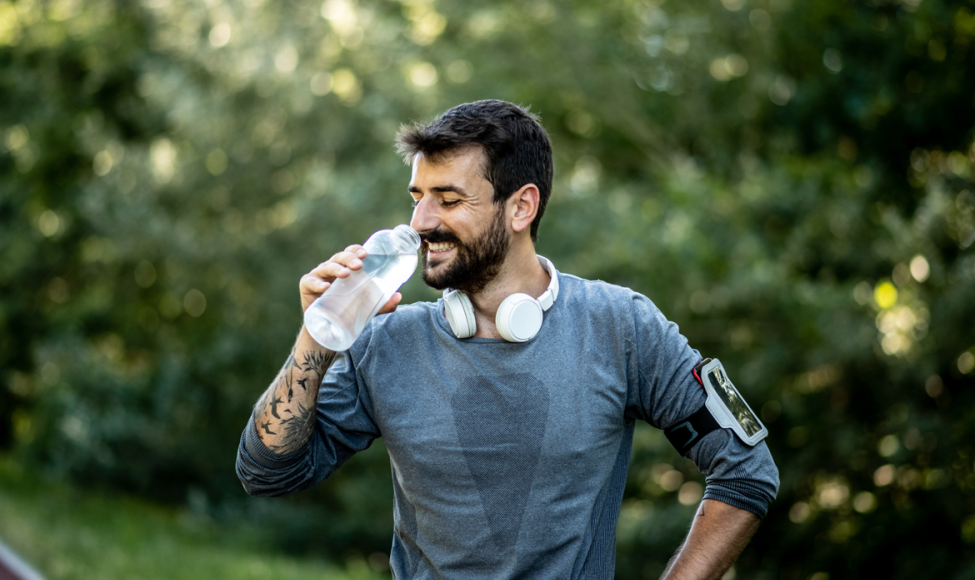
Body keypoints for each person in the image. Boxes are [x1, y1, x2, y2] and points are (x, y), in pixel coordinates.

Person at [236, 99, 779, 579]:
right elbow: (266, 472)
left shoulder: (622, 326)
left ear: (521, 206)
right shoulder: (385, 339)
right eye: (417, 196)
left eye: (448, 200)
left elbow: (746, 468)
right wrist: (317, 337)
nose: (421, 221)